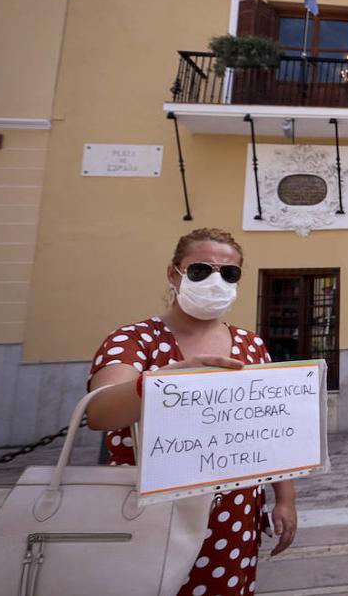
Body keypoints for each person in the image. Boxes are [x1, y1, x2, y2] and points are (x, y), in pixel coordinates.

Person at [86, 228, 297, 596]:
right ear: (174, 274)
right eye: (201, 270)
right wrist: (166, 380)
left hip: (234, 512)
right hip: (151, 509)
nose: (216, 281)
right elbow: (100, 413)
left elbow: (270, 428)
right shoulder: (134, 340)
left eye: (229, 273)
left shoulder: (251, 344)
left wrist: (285, 499)